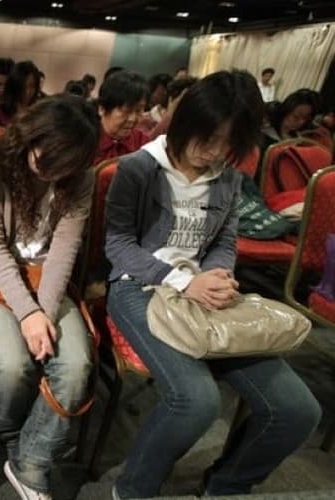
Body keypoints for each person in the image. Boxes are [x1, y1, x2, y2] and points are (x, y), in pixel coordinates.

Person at [104, 70, 321, 499]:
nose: (217, 152)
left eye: (229, 143)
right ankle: (131, 490)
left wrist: (219, 275)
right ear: (188, 123)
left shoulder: (227, 176)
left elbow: (224, 240)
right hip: (140, 287)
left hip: (204, 294)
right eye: (209, 139)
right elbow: (118, 244)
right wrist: (183, 281)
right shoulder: (140, 168)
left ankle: (225, 485)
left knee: (297, 410)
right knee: (196, 402)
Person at [0, 95, 98, 499]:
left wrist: (44, 313)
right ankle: (16, 436)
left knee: (76, 365)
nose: (50, 170)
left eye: (63, 164)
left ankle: (29, 462)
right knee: (11, 365)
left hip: (46, 280)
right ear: (32, 136)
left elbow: (63, 251)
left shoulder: (81, 180)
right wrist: (27, 314)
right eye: (45, 156)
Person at [94, 70, 150, 164]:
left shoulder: (144, 144)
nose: (132, 119)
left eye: (138, 111)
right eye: (126, 111)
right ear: (102, 109)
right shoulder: (85, 141)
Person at [0, 60, 41, 127]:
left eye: (32, 86)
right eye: (23, 86)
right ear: (15, 85)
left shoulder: (39, 112)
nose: (27, 92)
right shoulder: (0, 110)